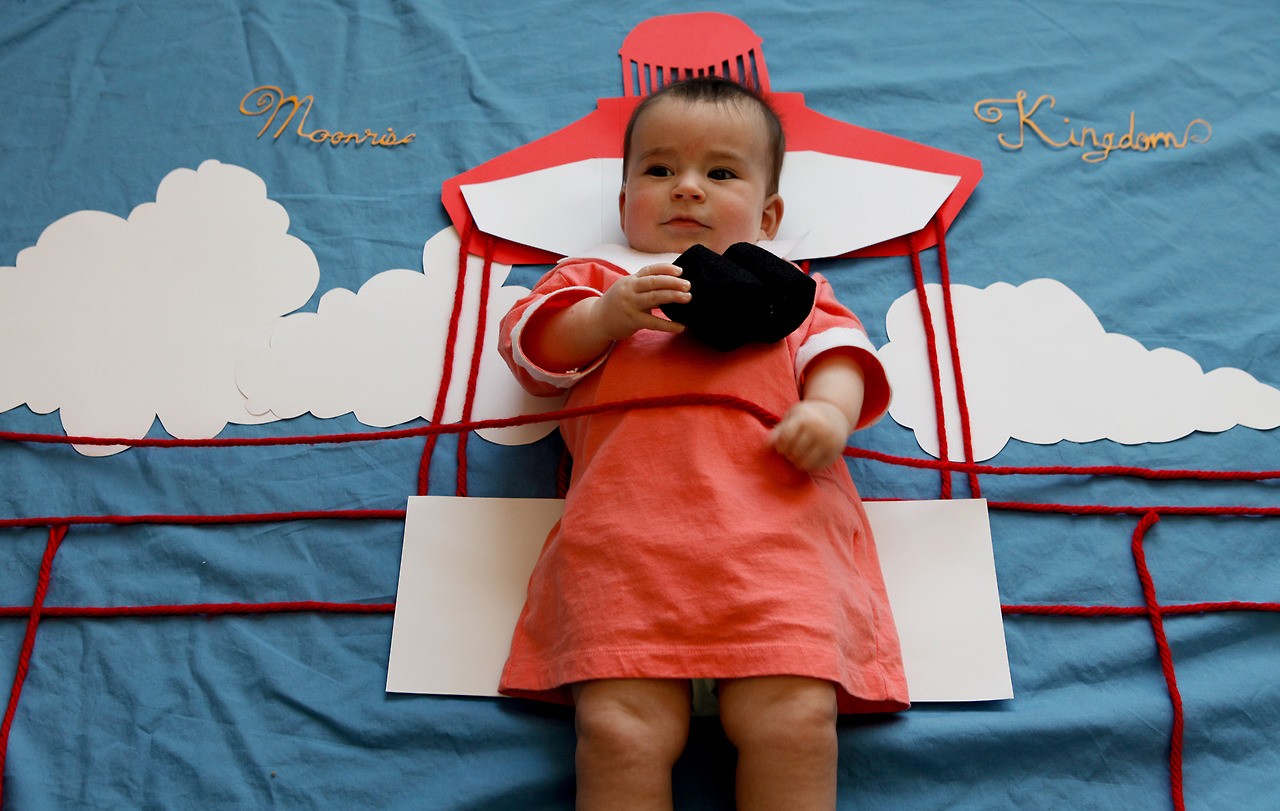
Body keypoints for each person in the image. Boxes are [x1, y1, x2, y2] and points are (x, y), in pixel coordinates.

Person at [497, 76, 907, 809]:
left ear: (768, 215)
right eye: (659, 169)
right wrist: (605, 317)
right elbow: (535, 351)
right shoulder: (597, 278)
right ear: (625, 202)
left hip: (776, 544)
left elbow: (843, 355)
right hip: (625, 548)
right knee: (619, 730)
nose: (686, 187)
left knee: (796, 719)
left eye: (720, 173)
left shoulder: (791, 292)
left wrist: (828, 413)